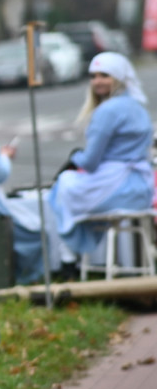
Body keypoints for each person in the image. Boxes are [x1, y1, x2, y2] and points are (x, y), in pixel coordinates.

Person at [48, 52, 154, 259]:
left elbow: (89, 163)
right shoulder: (139, 107)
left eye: (104, 75)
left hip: (117, 188)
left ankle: (68, 257)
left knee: (62, 184)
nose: (97, 81)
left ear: (119, 78)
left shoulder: (107, 111)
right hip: (142, 189)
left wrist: (74, 158)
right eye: (93, 76)